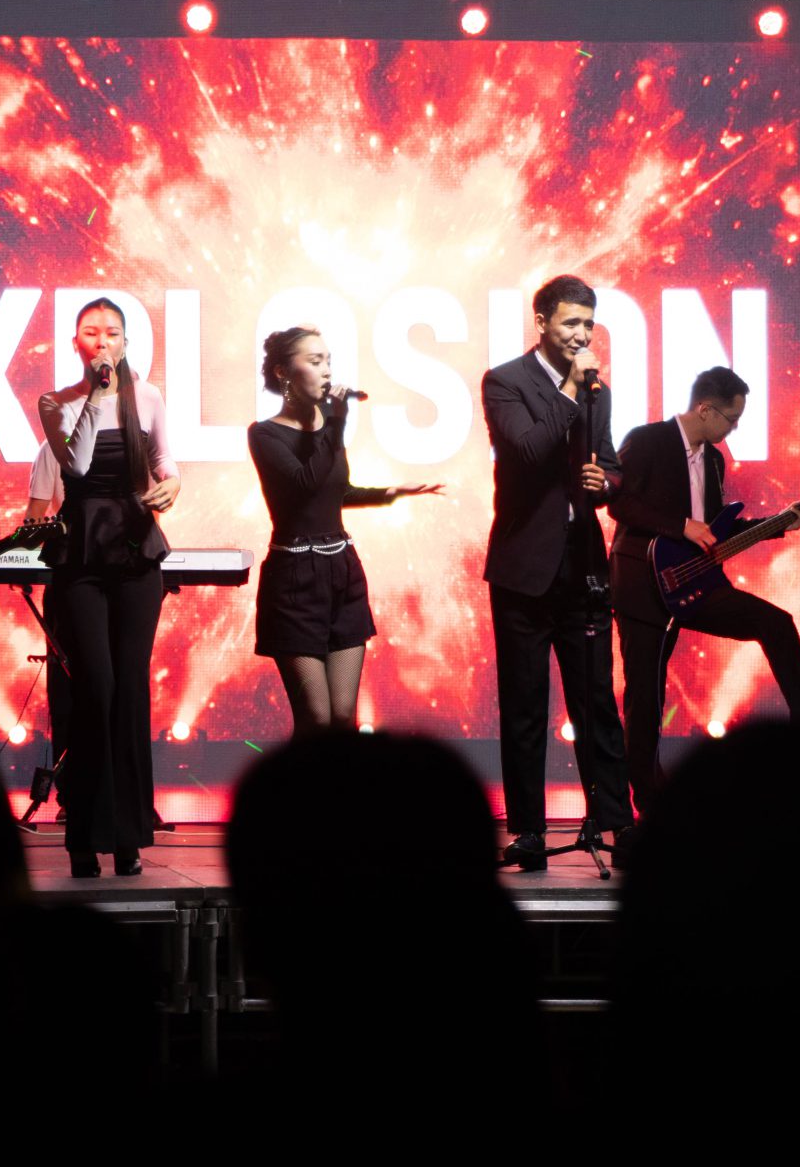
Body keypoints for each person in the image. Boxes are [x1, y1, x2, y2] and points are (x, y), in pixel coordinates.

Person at [610, 365, 800, 822]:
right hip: (642, 584)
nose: (734, 429)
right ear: (706, 409)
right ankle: (648, 801)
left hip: (694, 582)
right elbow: (619, 502)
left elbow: (715, 531)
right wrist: (679, 526)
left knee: (776, 623)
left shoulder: (713, 460)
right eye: (732, 419)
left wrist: (776, 525)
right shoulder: (647, 440)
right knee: (646, 696)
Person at [482, 275, 635, 870]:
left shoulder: (600, 393)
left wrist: (607, 483)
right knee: (525, 707)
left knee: (596, 700)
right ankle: (529, 832)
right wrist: (571, 389)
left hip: (582, 566)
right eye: (571, 322)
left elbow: (612, 464)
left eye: (588, 324)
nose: (581, 334)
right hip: (523, 568)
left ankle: (616, 822)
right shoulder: (506, 382)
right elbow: (526, 453)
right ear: (542, 321)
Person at [25, 298, 181, 878]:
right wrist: (96, 393)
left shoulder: (151, 398)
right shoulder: (55, 402)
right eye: (91, 333)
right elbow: (80, 466)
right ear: (76, 344)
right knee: (96, 686)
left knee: (130, 689)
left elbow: (165, 460)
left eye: (112, 333)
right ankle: (84, 835)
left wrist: (172, 484)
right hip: (82, 556)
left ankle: (128, 835)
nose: (102, 342)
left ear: (126, 343)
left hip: (136, 553)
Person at [249, 326, 441, 735]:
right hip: (294, 581)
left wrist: (391, 492)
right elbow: (304, 485)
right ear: (283, 371)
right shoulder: (265, 434)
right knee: (316, 720)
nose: (326, 371)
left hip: (343, 572)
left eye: (328, 361)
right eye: (314, 361)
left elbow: (335, 492)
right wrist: (335, 426)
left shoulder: (328, 427)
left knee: (341, 720)